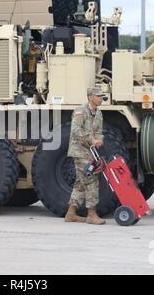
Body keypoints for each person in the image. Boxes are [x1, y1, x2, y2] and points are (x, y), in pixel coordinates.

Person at [65, 87, 106, 225]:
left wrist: (99, 139)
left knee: (81, 182)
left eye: (101, 96)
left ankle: (71, 214)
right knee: (91, 178)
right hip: (79, 150)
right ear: (90, 97)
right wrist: (91, 140)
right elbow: (76, 131)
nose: (101, 98)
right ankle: (92, 214)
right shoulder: (80, 111)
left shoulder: (98, 113)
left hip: (89, 151)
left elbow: (99, 131)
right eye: (98, 96)